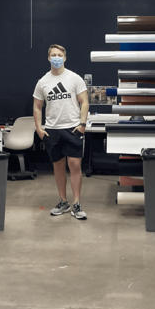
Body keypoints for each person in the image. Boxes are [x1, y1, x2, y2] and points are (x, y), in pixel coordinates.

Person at [33, 44, 89, 219]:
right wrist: (39, 128)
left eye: (59, 55)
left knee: (75, 165)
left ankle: (77, 204)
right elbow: (37, 107)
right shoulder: (43, 82)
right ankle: (63, 201)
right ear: (48, 58)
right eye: (53, 55)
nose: (56, 57)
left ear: (64, 58)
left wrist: (82, 124)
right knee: (58, 166)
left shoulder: (74, 78)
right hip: (52, 130)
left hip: (72, 128)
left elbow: (84, 102)